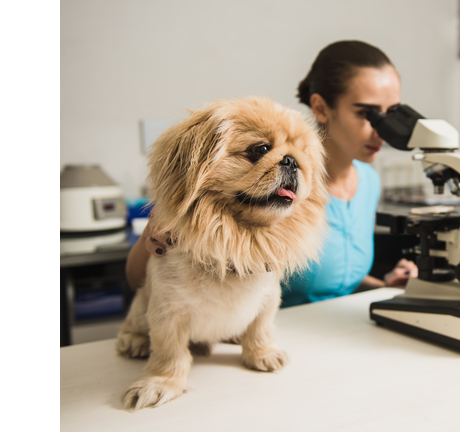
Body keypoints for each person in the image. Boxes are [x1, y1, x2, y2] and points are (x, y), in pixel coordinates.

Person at [125, 40, 418, 307]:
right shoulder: (248, 190)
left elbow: (333, 280)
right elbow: (143, 284)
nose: (381, 129)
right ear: (320, 107)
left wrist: (385, 284)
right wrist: (155, 233)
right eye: (367, 113)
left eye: (390, 114)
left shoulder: (368, 181)